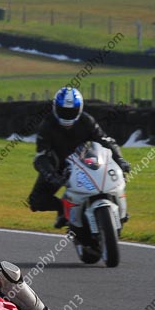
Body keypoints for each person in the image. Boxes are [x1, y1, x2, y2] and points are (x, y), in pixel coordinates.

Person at [28, 87, 131, 228]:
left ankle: (120, 211)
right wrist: (51, 175)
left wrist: (120, 159)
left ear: (79, 109)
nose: (67, 115)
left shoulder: (86, 120)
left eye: (71, 111)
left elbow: (105, 141)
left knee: (117, 178)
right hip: (59, 166)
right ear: (55, 108)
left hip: (86, 162)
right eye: (63, 111)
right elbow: (41, 156)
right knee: (36, 201)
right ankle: (64, 209)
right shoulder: (47, 125)